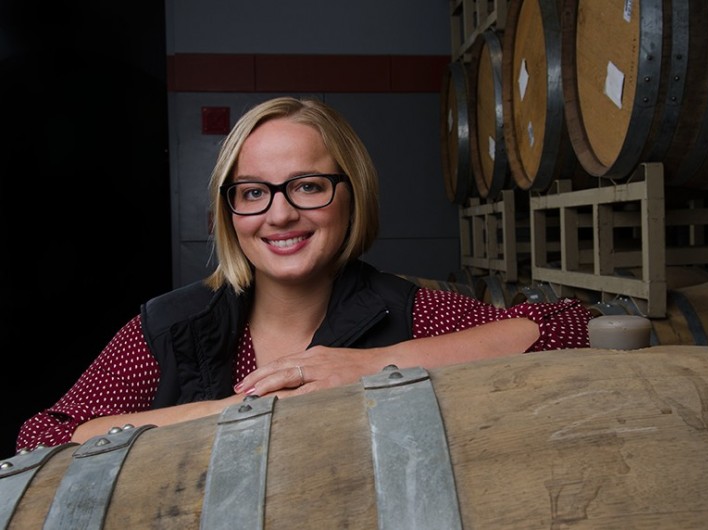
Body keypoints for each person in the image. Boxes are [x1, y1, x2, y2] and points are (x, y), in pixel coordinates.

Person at [16, 96, 592, 451]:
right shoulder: (172, 326)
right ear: (230, 210)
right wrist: (241, 413)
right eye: (253, 192)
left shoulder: (404, 311)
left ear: (351, 194)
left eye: (308, 186)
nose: (280, 213)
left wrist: (370, 367)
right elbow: (44, 436)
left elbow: (575, 327)